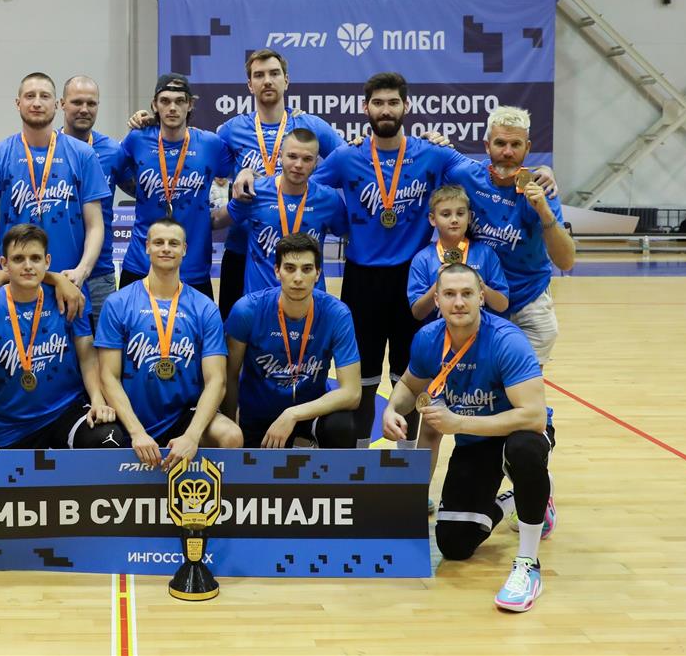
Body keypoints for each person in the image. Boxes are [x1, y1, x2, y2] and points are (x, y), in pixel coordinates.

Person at [381, 263, 556, 612]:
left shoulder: (507, 341)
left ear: (481, 297)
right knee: (454, 544)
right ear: (437, 300)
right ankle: (514, 501)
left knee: (524, 449)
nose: (458, 302)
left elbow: (534, 417)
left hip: (518, 433)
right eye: (449, 294)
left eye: (466, 294)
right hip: (475, 441)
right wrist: (391, 409)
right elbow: (410, 386)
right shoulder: (428, 339)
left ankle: (527, 563)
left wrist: (458, 422)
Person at [311, 72, 471, 446]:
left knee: (409, 379)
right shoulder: (346, 157)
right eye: (378, 103)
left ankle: (406, 466)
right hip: (362, 282)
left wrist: (537, 174)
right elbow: (302, 186)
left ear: (406, 106)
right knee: (361, 381)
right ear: (365, 107)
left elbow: (480, 175)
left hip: (413, 280)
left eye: (393, 102)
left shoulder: (431, 153)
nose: (386, 110)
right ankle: (358, 464)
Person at [0, 224, 127, 451]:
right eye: (18, 259)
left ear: (47, 262)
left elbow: (88, 358)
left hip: (66, 411)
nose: (28, 266)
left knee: (108, 438)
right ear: (4, 264)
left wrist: (97, 400)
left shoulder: (70, 299)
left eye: (35, 258)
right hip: (12, 426)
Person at [96, 217, 243, 471]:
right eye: (159, 242)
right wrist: (137, 432)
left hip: (184, 416)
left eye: (173, 243)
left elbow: (217, 381)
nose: (166, 248)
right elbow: (108, 376)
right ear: (147, 247)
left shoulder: (204, 307)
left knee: (232, 436)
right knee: (98, 440)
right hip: (131, 415)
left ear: (184, 249)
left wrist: (192, 436)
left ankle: (204, 493)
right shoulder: (118, 303)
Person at [218, 49, 344, 317]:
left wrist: (312, 181)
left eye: (274, 73)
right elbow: (197, 154)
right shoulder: (232, 129)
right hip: (245, 252)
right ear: (249, 84)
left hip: (299, 254)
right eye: (259, 75)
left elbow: (351, 162)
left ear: (286, 80)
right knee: (237, 332)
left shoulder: (310, 125)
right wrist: (149, 123)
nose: (267, 80)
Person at [445, 106, 575, 363]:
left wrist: (544, 211)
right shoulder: (465, 176)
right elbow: (427, 158)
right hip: (482, 301)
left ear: (527, 148)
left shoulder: (540, 188)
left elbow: (566, 261)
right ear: (487, 146)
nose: (507, 152)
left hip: (530, 300)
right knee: (482, 380)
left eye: (516, 144)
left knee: (525, 382)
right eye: (500, 143)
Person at [223, 233, 361, 449]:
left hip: (308, 415)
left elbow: (352, 393)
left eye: (306, 269)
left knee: (342, 426)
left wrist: (293, 414)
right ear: (277, 271)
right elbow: (229, 375)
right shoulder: (247, 311)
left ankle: (324, 465)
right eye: (289, 268)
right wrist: (232, 426)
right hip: (257, 417)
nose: (298, 278)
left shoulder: (337, 314)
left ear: (318, 273)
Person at [0, 72, 109, 288]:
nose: (37, 103)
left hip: (68, 282)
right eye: (30, 96)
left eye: (44, 96)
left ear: (56, 104)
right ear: (18, 103)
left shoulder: (83, 154)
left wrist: (82, 271)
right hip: (14, 284)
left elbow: (95, 225)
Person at [117, 74, 234, 299]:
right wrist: (140, 191)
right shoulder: (137, 139)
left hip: (192, 266)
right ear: (154, 105)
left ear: (190, 105)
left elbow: (240, 167)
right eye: (165, 101)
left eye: (180, 101)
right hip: (141, 263)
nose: (172, 108)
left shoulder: (210, 144)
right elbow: (117, 172)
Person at [216, 129, 347, 294]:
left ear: (316, 163)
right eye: (292, 156)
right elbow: (217, 220)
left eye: (307, 159)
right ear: (280, 157)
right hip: (261, 303)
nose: (298, 165)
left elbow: (351, 235)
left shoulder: (329, 199)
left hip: (310, 302)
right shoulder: (256, 193)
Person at [58, 75, 127, 324]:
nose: (84, 109)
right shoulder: (47, 149)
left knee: (103, 344)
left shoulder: (114, 151)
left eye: (91, 103)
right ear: (61, 104)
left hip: (100, 274)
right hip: (57, 272)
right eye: (77, 102)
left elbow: (144, 190)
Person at [408, 185, 509, 323]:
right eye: (446, 214)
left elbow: (502, 305)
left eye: (460, 213)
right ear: (432, 219)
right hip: (440, 333)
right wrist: (438, 284)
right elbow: (418, 313)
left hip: (481, 331)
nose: (454, 219)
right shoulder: (422, 259)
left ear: (469, 217)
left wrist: (481, 286)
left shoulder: (486, 254)